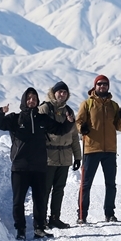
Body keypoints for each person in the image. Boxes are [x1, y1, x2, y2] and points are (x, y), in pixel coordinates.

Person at [0, 87, 74, 240]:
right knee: (18, 201)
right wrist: (0, 111)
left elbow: (59, 129)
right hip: (20, 167)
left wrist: (70, 122)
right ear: (24, 100)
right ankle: (21, 229)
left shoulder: (41, 119)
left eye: (34, 99)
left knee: (40, 199)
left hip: (39, 167)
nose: (31, 101)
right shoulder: (15, 119)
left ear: (37, 102)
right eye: (29, 98)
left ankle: (39, 228)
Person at [75, 75, 121, 224]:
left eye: (105, 84)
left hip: (110, 150)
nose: (102, 86)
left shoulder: (114, 106)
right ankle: (82, 214)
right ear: (95, 86)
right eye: (99, 84)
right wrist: (81, 128)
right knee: (86, 183)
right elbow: (78, 121)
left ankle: (110, 213)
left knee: (111, 184)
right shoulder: (87, 104)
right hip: (91, 149)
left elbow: (120, 127)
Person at [39, 81, 82, 230]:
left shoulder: (69, 111)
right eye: (59, 92)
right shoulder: (45, 108)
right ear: (53, 92)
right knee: (45, 190)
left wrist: (78, 157)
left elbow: (74, 136)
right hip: (48, 156)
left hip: (65, 156)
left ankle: (55, 218)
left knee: (59, 189)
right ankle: (41, 219)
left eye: (65, 92)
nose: (62, 94)